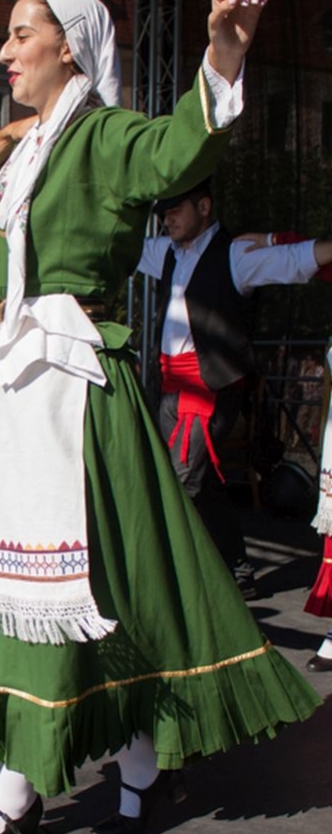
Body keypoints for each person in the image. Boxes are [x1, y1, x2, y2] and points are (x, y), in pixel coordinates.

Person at [0, 0, 323, 834]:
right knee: (70, 593)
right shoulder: (25, 152)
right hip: (20, 392)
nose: (4, 51)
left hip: (73, 391)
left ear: (71, 47)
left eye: (19, 34)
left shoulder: (103, 135)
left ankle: (19, 782)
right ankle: (133, 759)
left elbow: (175, 151)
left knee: (63, 586)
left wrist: (224, 51)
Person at [137, 179, 331, 600]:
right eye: (163, 214)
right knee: (201, 484)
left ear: (203, 206)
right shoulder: (165, 253)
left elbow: (294, 260)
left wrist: (322, 249)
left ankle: (176, 585)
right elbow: (119, 251)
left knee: (182, 480)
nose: (166, 219)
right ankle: (237, 565)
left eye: (175, 211)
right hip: (171, 386)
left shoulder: (235, 255)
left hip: (210, 387)